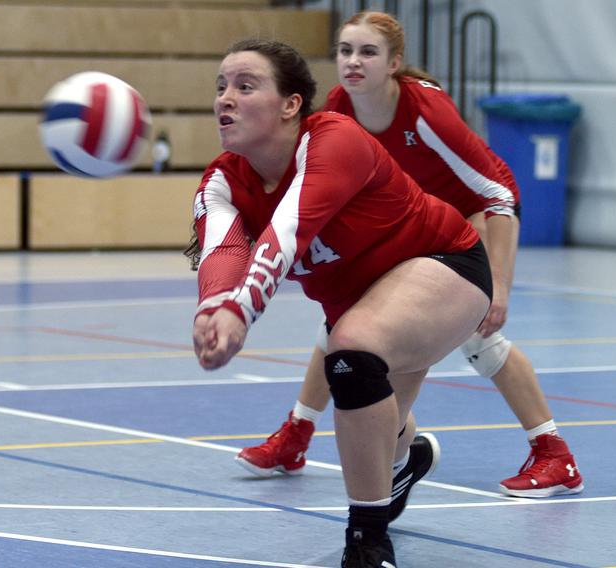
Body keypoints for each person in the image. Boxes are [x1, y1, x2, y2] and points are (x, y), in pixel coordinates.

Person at [236, 11, 584, 499]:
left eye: (368, 52)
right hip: (407, 225)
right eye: (344, 51)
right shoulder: (338, 107)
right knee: (342, 327)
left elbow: (498, 193)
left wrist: (499, 286)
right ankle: (297, 434)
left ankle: (554, 453)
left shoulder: (425, 113)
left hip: (468, 219)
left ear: (395, 62)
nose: (353, 62)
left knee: (482, 341)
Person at [189, 38, 492, 567]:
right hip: (366, 301)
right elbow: (223, 247)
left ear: (290, 105)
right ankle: (407, 460)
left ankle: (368, 544)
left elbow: (287, 229)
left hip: (446, 266)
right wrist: (213, 306)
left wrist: (241, 311)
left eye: (244, 86)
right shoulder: (222, 180)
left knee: (351, 354)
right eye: (220, 88)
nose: (225, 100)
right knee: (381, 419)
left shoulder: (333, 140)